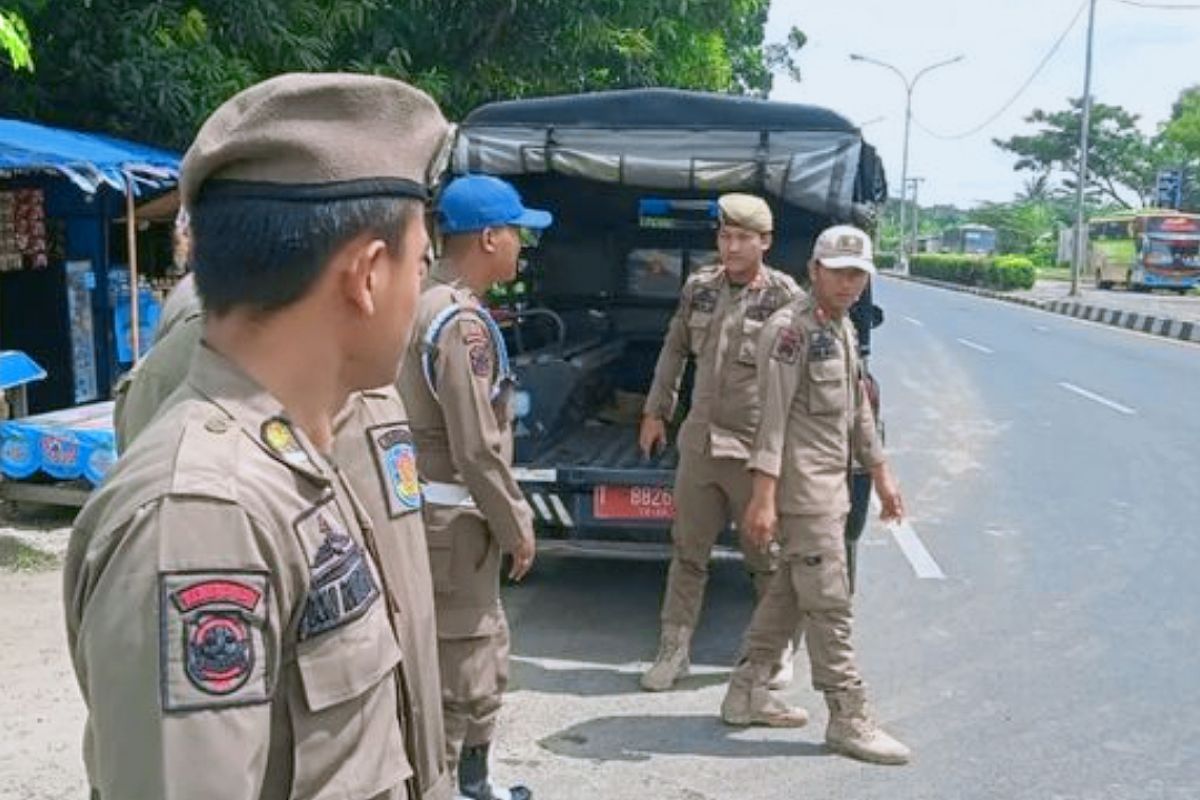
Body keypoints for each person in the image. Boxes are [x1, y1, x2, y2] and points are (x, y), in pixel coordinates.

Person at [63, 72, 453, 799]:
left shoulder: (294, 463)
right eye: (420, 260)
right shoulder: (204, 516)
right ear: (368, 275)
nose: (422, 290)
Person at [109, 282, 453, 800]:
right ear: (364, 265)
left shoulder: (373, 367)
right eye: (414, 256)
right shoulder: (192, 436)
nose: (420, 286)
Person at [719, 224, 910, 766]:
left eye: (859, 274)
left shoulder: (842, 326)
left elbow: (858, 411)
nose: (850, 283)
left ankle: (746, 692)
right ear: (814, 270)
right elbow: (770, 421)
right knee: (829, 605)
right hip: (804, 492)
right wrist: (762, 497)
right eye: (840, 272)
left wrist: (882, 475)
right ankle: (848, 717)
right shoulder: (789, 330)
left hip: (833, 485)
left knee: (788, 596)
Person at [397, 174, 550, 800]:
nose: (522, 247)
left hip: (429, 521)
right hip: (456, 528)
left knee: (459, 661)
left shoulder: (417, 301)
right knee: (465, 675)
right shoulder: (462, 323)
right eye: (517, 234)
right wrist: (518, 524)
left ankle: (464, 783)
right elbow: (476, 447)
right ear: (488, 237)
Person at [638, 193, 803, 692]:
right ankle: (673, 651)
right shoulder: (699, 289)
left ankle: (775, 652)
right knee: (688, 553)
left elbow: (796, 378)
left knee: (765, 558)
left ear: (764, 242)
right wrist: (655, 411)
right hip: (701, 446)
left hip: (753, 451)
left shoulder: (785, 297)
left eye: (742, 238)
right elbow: (674, 349)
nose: (730, 247)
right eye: (724, 236)